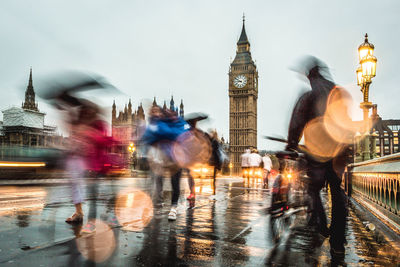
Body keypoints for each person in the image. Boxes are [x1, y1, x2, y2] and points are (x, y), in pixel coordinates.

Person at [286, 56, 352, 259]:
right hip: (340, 148)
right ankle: (338, 242)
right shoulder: (337, 92)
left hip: (318, 149)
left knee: (313, 189)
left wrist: (291, 144)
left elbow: (297, 120)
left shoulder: (310, 95)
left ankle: (322, 226)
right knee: (337, 191)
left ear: (310, 75)